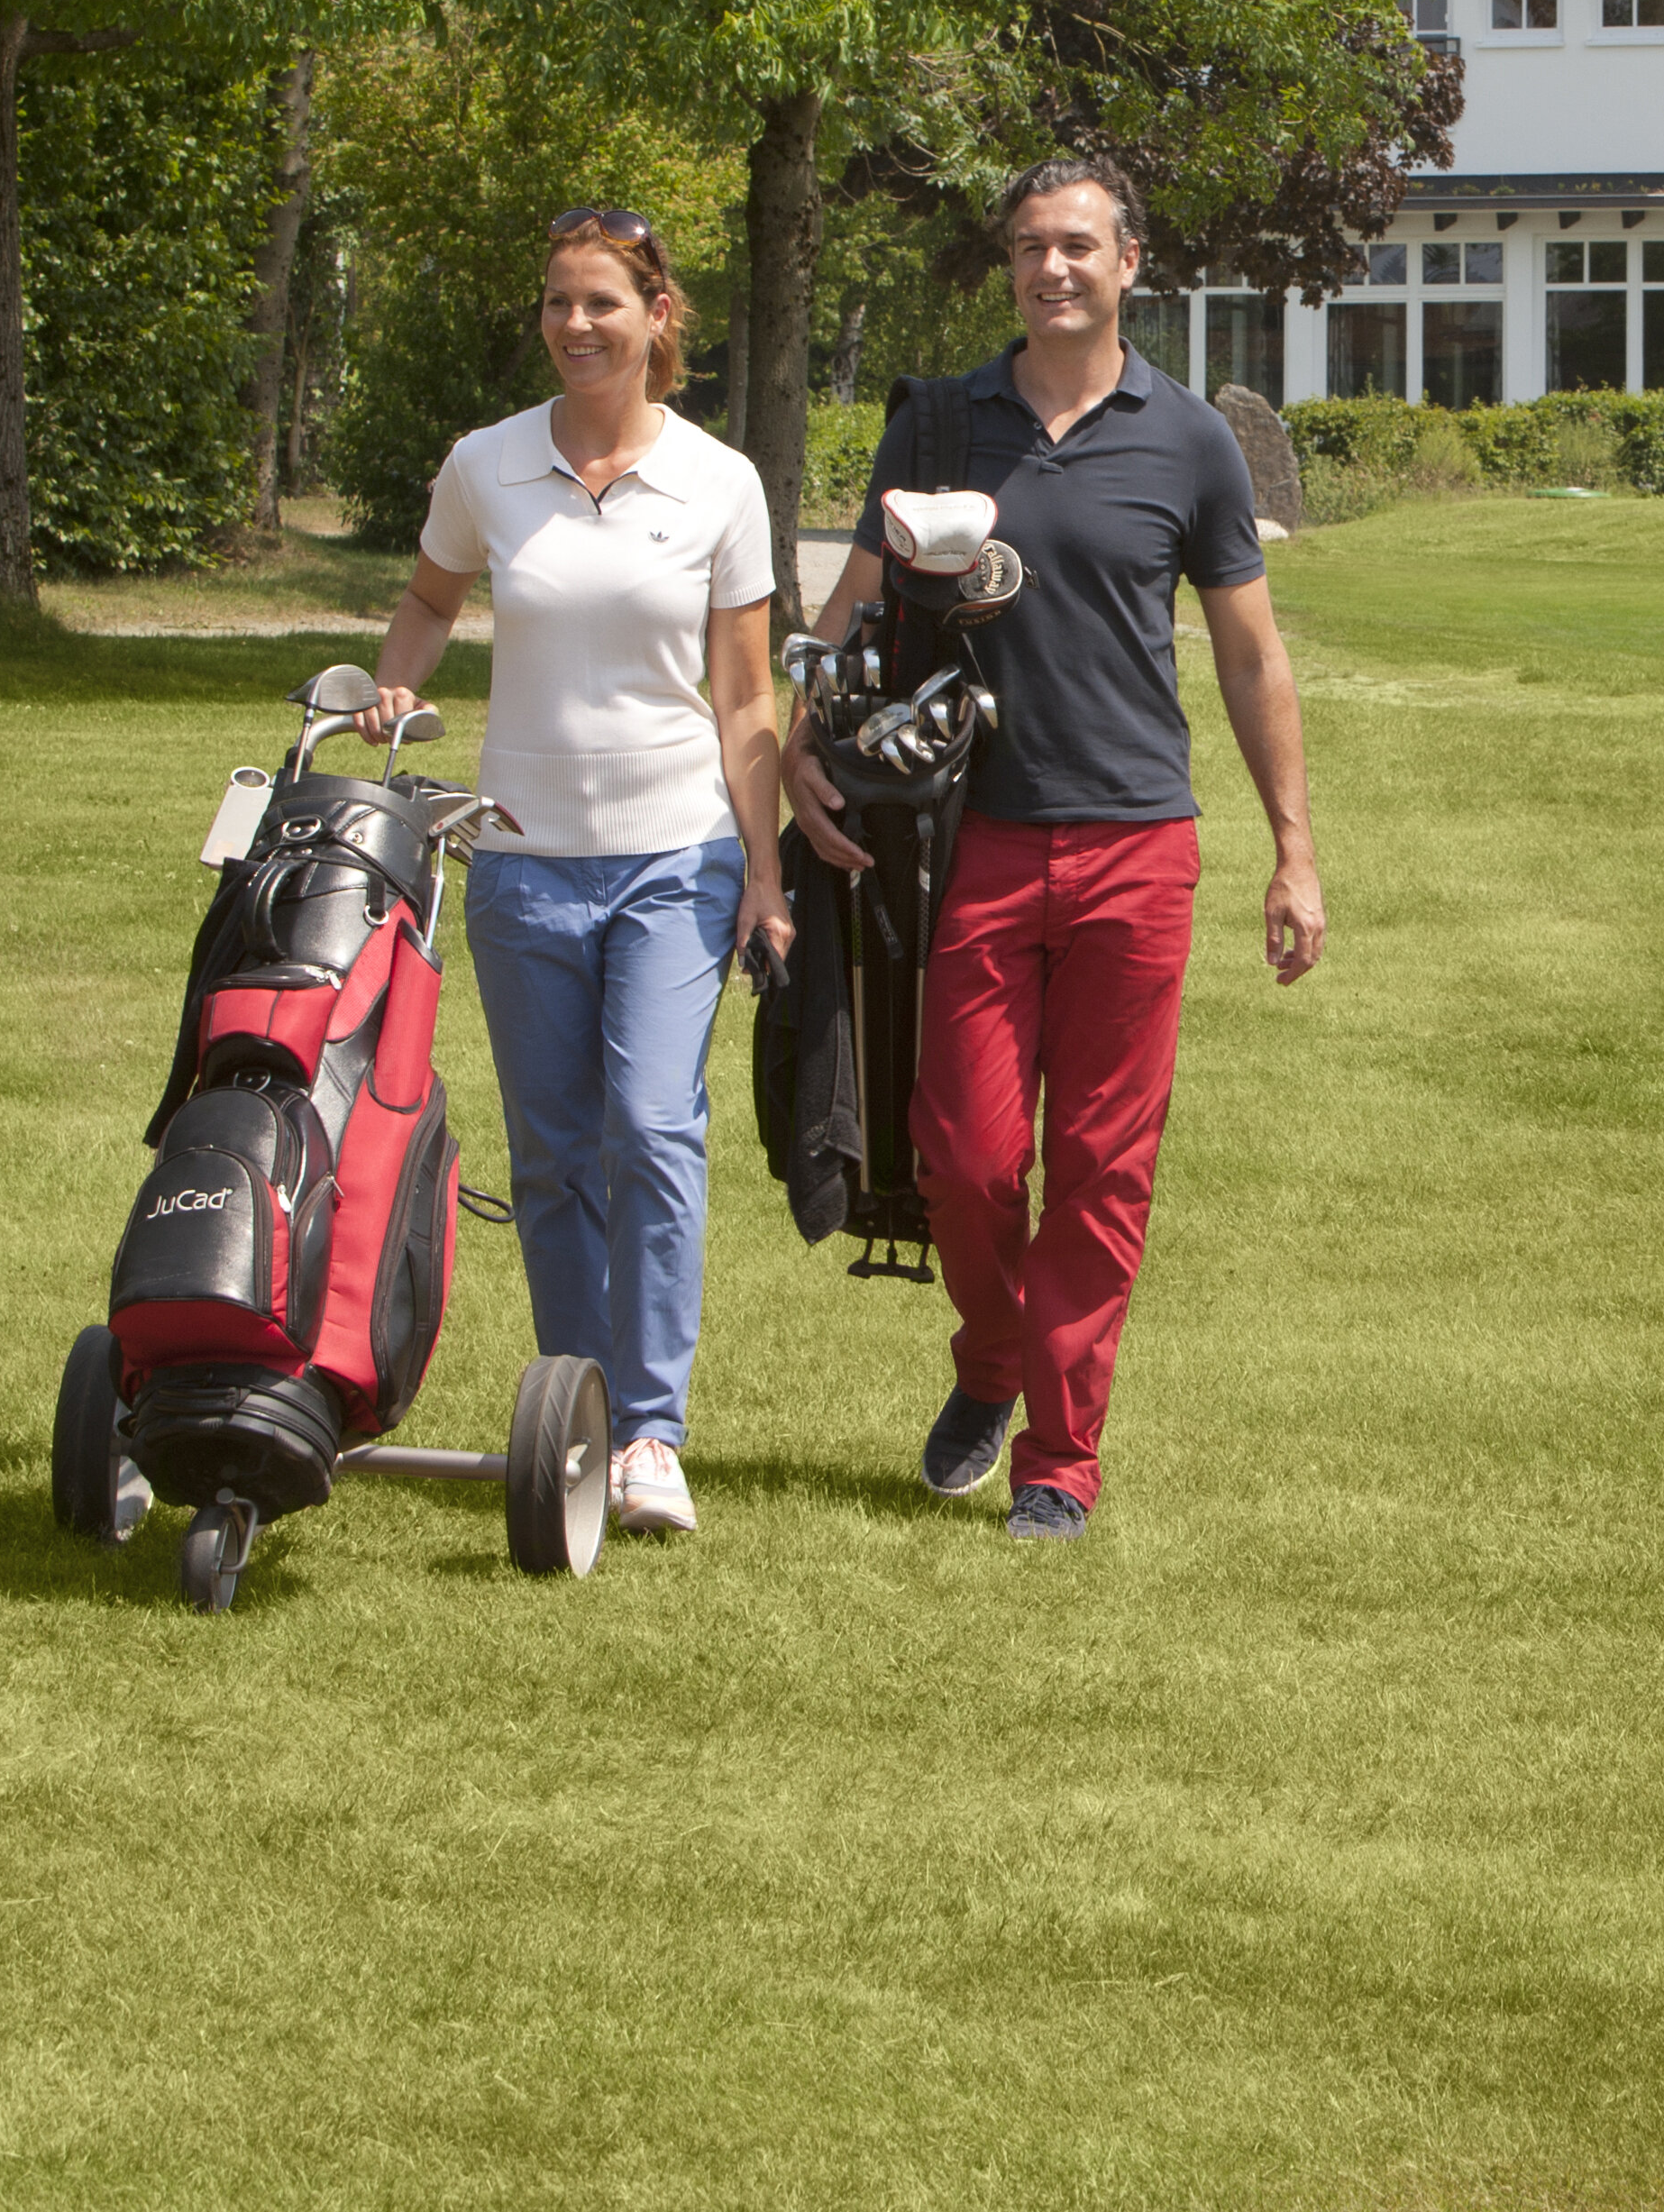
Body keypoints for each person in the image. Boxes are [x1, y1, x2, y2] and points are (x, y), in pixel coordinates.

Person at [796, 151, 1322, 1541]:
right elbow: (851, 605)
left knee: (1101, 1161)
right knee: (963, 1153)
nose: (1054, 268)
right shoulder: (939, 424)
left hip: (1135, 841)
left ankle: (1058, 1454)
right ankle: (991, 1351)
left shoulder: (1188, 438)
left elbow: (1251, 654)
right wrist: (802, 747)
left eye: (1079, 244)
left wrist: (1293, 848)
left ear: (1129, 262)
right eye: (1030, 246)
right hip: (967, 835)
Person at [356, 206, 790, 1540]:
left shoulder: (720, 482)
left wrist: (763, 875)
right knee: (550, 1156)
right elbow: (432, 599)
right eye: (556, 302)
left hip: (675, 856)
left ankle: (652, 1431)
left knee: (652, 1126)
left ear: (660, 315)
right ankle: (580, 1406)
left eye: (602, 301)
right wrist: (393, 681)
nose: (574, 325)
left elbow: (744, 694)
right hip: (523, 860)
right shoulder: (487, 466)